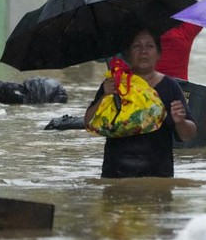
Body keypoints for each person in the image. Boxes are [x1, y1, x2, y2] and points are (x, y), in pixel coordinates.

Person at [84, 29, 197, 178]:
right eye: (137, 46)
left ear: (159, 54)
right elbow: (88, 123)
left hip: (158, 175)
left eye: (150, 46)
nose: (143, 51)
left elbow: (189, 136)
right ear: (128, 54)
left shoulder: (170, 86)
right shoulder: (115, 83)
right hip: (116, 173)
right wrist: (104, 94)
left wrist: (180, 122)